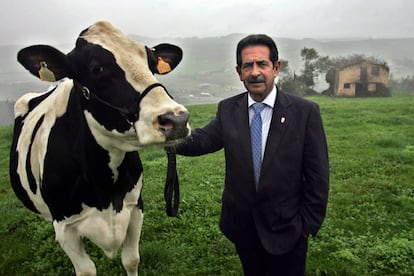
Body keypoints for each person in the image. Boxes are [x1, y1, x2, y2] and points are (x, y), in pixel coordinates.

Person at [174, 34, 329, 276]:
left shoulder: (304, 112)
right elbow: (203, 141)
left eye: (262, 64)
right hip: (243, 229)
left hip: (288, 230)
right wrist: (166, 134)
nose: (255, 72)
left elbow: (318, 176)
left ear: (275, 68)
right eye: (248, 66)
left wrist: (306, 226)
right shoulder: (228, 110)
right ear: (239, 72)